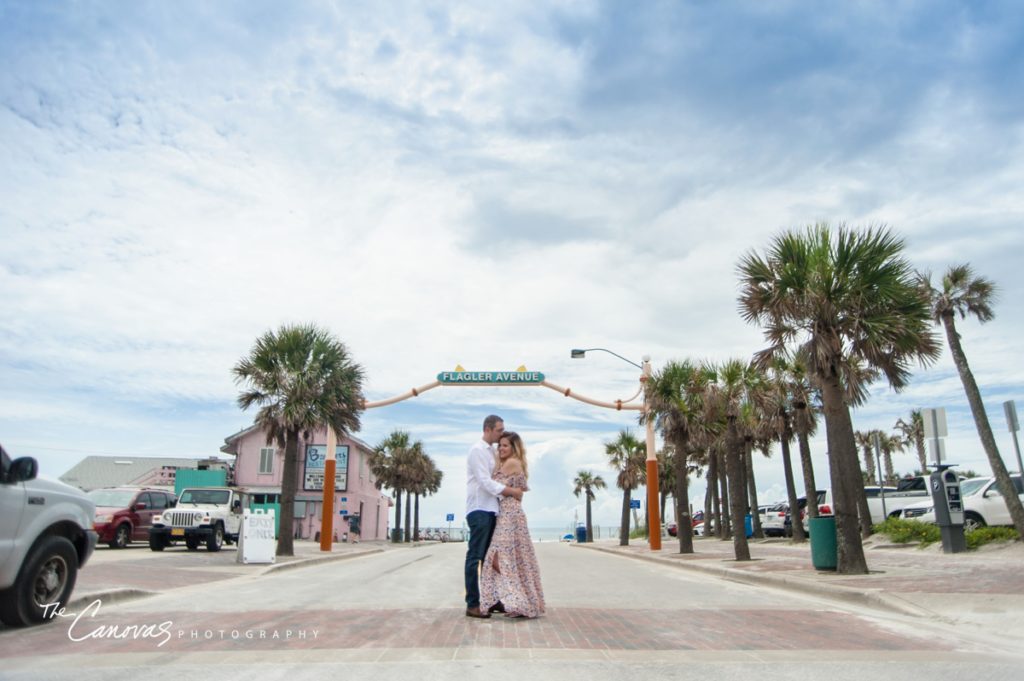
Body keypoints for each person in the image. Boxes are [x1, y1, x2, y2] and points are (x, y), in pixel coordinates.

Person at [479, 431, 545, 619]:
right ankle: (521, 602)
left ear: (514, 448)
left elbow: (495, 486)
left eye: (505, 445)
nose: (500, 449)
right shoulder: (508, 463)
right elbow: (514, 490)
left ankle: (521, 602)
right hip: (507, 512)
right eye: (499, 445)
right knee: (511, 558)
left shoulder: (512, 463)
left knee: (500, 558)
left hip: (510, 513)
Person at [465, 415, 523, 619]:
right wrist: (511, 491)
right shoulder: (477, 451)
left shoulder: (492, 453)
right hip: (479, 509)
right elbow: (484, 482)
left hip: (492, 510)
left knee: (491, 559)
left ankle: (492, 600)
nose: (501, 434)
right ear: (488, 429)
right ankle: (472, 603)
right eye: (499, 430)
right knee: (475, 557)